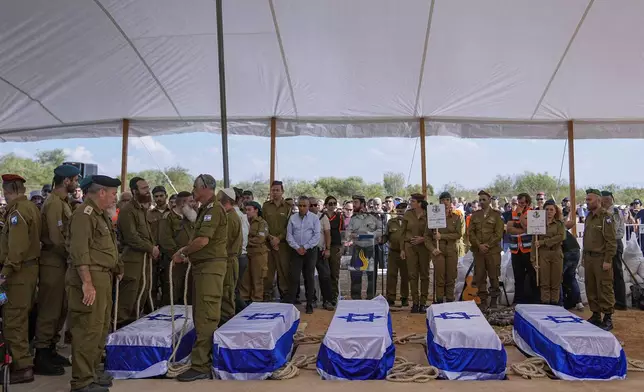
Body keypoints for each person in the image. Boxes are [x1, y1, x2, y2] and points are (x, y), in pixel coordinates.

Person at [67, 175, 122, 392]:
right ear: (101, 192)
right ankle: (81, 382)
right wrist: (87, 283)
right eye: (112, 193)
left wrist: (117, 267)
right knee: (87, 329)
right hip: (89, 277)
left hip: (103, 277)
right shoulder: (84, 214)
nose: (114, 197)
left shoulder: (100, 215)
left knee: (99, 328)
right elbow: (80, 251)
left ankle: (91, 372)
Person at [171, 174, 227, 381]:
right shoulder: (205, 209)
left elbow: (203, 240)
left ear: (205, 188)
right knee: (201, 314)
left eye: (195, 187)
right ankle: (201, 360)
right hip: (204, 267)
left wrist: (184, 252)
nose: (193, 190)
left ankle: (201, 364)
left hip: (210, 269)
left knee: (205, 316)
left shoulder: (213, 209)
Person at [34, 164, 80, 376]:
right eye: (75, 179)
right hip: (53, 262)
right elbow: (55, 238)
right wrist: (73, 256)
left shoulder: (63, 202)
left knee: (60, 308)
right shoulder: (53, 203)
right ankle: (41, 353)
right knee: (49, 309)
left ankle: (51, 348)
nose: (77, 183)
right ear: (67, 181)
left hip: (61, 262)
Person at [0, 174, 42, 384]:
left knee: (13, 319)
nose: (4, 196)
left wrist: (4, 273)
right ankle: (21, 361)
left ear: (10, 190)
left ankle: (22, 366)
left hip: (18, 273)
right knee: (20, 316)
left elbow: (16, 248)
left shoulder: (17, 212)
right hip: (27, 271)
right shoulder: (30, 208)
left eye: (5, 191)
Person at [116, 177, 159, 327]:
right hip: (132, 263)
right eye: (144, 188)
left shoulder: (142, 210)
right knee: (127, 302)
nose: (148, 191)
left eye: (148, 187)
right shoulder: (128, 210)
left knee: (140, 300)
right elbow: (131, 237)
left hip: (143, 263)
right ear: (135, 191)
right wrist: (150, 248)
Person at [584, 189, 617, 331]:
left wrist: (608, 260)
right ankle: (596, 315)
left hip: (601, 258)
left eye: (589, 200)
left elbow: (611, 241)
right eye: (586, 200)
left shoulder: (606, 217)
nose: (586, 202)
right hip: (589, 257)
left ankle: (608, 318)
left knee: (604, 287)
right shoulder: (589, 217)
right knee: (590, 287)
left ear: (598, 200)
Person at [157, 191, 196, 306]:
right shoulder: (167, 217)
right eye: (191, 201)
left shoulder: (190, 217)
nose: (193, 204)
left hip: (188, 262)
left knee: (188, 295)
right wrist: (179, 255)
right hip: (173, 263)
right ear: (183, 203)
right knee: (172, 294)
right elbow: (165, 241)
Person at [424, 192, 464, 303]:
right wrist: (433, 249)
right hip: (438, 250)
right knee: (440, 278)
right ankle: (440, 300)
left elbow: (458, 234)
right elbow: (427, 237)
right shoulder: (433, 217)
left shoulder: (456, 216)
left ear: (451, 201)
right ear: (439, 202)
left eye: (447, 200)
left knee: (451, 277)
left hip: (451, 248)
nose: (445, 202)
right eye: (442, 200)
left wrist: (442, 236)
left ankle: (450, 300)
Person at [469, 190, 504, 311]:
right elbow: (471, 233)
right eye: (480, 200)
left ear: (489, 200)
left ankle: (494, 301)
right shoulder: (475, 215)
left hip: (492, 251)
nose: (482, 202)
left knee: (494, 276)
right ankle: (483, 301)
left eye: (484, 199)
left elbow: (498, 233)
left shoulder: (496, 215)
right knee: (480, 276)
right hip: (479, 252)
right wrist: (479, 245)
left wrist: (487, 245)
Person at [285, 196, 321, 314]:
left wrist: (305, 247)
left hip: (310, 251)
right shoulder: (293, 218)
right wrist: (297, 247)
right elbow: (289, 235)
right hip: (296, 251)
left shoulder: (314, 218)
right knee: (294, 277)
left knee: (309, 277)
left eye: (304, 205)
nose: (301, 208)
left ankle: (309, 303)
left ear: (308, 206)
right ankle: (291, 303)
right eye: (300, 205)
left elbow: (316, 236)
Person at [345, 195, 382, 300]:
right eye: (353, 202)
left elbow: (381, 229)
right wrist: (350, 235)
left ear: (362, 204)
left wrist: (371, 234)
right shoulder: (353, 218)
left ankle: (370, 297)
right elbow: (348, 232)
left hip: (371, 248)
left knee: (371, 274)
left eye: (356, 202)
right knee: (356, 274)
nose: (354, 204)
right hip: (358, 247)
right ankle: (356, 298)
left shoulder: (373, 217)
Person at [400, 194, 429, 313]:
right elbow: (402, 233)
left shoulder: (429, 215)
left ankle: (423, 303)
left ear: (420, 203)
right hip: (409, 246)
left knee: (424, 274)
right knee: (412, 275)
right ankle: (415, 303)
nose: (411, 203)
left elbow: (433, 233)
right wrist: (402, 249)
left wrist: (423, 239)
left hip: (424, 247)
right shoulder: (408, 214)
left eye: (413, 201)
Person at [532, 200, 565, 305]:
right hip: (543, 254)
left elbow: (561, 237)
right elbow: (534, 243)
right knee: (544, 282)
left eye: (551, 210)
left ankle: (555, 304)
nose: (549, 212)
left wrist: (543, 242)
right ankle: (545, 304)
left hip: (556, 253)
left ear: (555, 211)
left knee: (556, 281)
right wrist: (533, 260)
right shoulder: (537, 224)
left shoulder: (559, 224)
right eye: (547, 209)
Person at [262, 181, 291, 302]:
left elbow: (289, 226)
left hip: (283, 245)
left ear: (282, 191)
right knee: (268, 271)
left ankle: (284, 295)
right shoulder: (266, 206)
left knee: (283, 271)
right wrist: (270, 237)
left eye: (277, 190)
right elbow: (263, 224)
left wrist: (278, 238)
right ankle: (267, 295)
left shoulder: (288, 207)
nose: (274, 192)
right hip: (268, 244)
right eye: (273, 190)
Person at [507, 193, 538, 304]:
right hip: (515, 250)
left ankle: (535, 300)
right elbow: (509, 228)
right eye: (518, 203)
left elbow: (530, 228)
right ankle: (518, 301)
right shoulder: (513, 212)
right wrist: (522, 226)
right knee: (518, 277)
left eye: (522, 203)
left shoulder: (533, 213)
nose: (519, 205)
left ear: (528, 203)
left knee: (533, 276)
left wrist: (520, 221)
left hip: (529, 250)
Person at [219, 188, 242, 324]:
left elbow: (223, 242)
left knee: (227, 296)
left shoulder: (230, 218)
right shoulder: (230, 216)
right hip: (229, 260)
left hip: (228, 261)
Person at [601, 190, 627, 311]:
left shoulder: (614, 212)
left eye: (605, 200)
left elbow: (613, 230)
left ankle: (620, 302)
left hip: (614, 243)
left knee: (616, 272)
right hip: (611, 243)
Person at [240, 201, 269, 303]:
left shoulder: (262, 223)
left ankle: (257, 301)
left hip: (258, 254)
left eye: (249, 210)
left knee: (258, 279)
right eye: (245, 210)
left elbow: (260, 239)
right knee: (245, 280)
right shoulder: (243, 221)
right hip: (246, 253)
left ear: (256, 210)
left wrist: (246, 241)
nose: (247, 212)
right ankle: (245, 300)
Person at [309, 197, 334, 310]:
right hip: (308, 251)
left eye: (315, 205)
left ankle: (327, 300)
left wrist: (328, 249)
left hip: (320, 250)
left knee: (325, 276)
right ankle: (312, 299)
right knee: (309, 276)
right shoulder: (302, 218)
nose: (313, 207)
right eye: (311, 205)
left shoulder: (323, 217)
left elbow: (327, 234)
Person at [385, 202, 409, 306]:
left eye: (402, 212)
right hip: (393, 252)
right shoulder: (391, 222)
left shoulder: (409, 222)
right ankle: (391, 297)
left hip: (406, 253)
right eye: (398, 212)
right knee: (391, 275)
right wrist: (381, 239)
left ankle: (404, 297)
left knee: (405, 276)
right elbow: (386, 235)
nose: (400, 214)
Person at [232, 187, 250, 312]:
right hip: (238, 256)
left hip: (238, 256)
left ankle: (244, 313)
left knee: (233, 290)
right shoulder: (239, 215)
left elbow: (242, 238)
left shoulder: (238, 216)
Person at [324, 196, 344, 304]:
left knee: (335, 273)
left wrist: (342, 247)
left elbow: (342, 232)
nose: (332, 206)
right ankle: (326, 296)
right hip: (324, 247)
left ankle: (334, 297)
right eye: (330, 204)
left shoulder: (339, 216)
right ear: (326, 205)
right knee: (325, 273)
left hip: (335, 246)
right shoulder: (322, 216)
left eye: (334, 203)